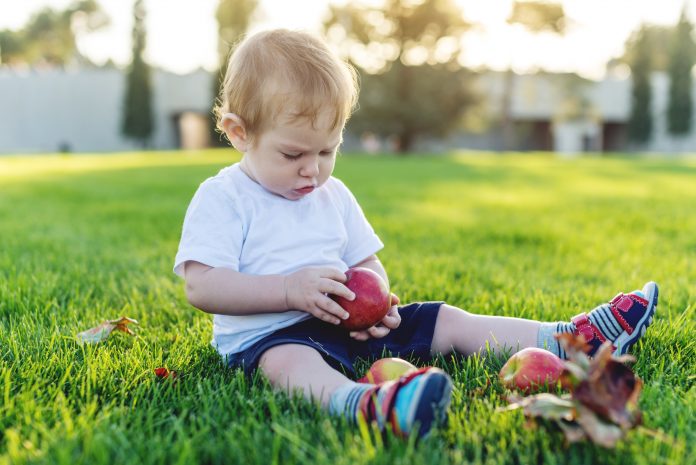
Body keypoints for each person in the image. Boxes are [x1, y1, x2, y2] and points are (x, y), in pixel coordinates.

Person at [174, 29, 659, 439]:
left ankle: (571, 339)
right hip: (268, 337)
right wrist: (287, 290)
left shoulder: (332, 194)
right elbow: (203, 285)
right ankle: (367, 405)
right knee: (289, 363)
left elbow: (366, 263)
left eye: (327, 151)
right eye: (292, 155)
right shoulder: (225, 198)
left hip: (344, 326)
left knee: (446, 319)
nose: (311, 171)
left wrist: (377, 305)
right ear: (238, 133)